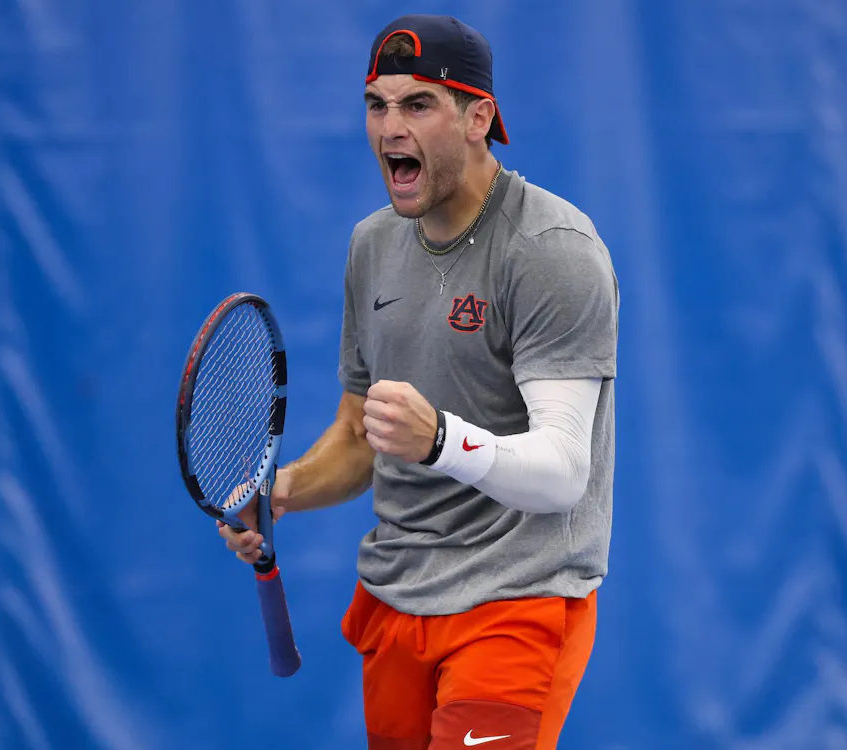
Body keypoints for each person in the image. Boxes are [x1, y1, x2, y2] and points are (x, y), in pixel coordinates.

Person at [218, 13, 619, 750]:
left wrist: (440, 440)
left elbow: (565, 472)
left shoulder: (552, 250)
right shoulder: (371, 245)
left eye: (418, 104)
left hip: (517, 602)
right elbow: (358, 434)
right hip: (399, 598)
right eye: (377, 105)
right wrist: (283, 491)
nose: (390, 128)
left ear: (478, 119)